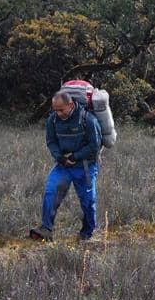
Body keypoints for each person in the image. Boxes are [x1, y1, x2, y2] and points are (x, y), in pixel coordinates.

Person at [30, 91, 102, 242]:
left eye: (61, 110)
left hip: (85, 166)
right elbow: (51, 142)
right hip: (63, 165)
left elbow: (94, 145)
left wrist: (75, 156)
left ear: (70, 105)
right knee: (51, 191)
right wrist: (60, 158)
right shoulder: (53, 120)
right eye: (55, 110)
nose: (58, 113)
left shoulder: (88, 120)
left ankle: (87, 233)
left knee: (88, 201)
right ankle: (46, 229)